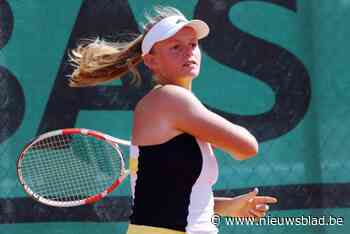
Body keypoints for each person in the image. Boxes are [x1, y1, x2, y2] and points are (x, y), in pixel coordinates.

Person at [68, 6, 277, 234]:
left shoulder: (174, 104)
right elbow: (247, 147)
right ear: (151, 61)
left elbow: (169, 198)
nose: (189, 52)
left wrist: (227, 207)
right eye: (176, 47)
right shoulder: (170, 99)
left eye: (193, 44)